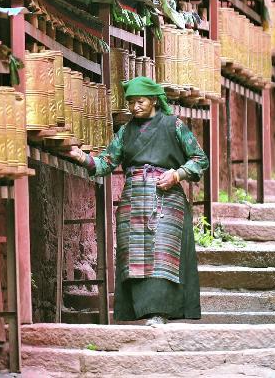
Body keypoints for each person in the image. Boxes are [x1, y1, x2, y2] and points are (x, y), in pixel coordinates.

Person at [69, 76, 209, 325]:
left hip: (166, 199)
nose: (135, 107)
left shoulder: (173, 125)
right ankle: (138, 310)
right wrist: (82, 158)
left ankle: (160, 311)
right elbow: (106, 163)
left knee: (161, 254)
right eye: (131, 102)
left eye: (140, 101)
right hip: (133, 199)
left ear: (154, 99)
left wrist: (177, 174)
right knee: (135, 255)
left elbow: (200, 159)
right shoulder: (126, 131)